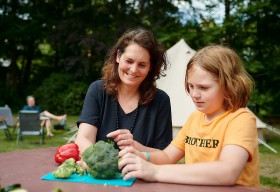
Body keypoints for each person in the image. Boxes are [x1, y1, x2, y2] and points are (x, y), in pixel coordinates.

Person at [118, 45, 260, 187]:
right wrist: (141, 154)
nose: (194, 94)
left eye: (203, 88)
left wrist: (155, 171)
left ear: (229, 86)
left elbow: (228, 171)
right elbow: (167, 156)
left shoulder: (241, 119)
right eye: (190, 86)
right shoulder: (195, 118)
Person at [75, 28, 173, 160]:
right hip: (98, 178)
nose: (133, 70)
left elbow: (165, 155)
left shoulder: (161, 100)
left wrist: (135, 147)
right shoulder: (97, 90)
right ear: (118, 56)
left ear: (150, 68)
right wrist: (101, 163)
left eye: (142, 65)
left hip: (141, 178)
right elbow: (83, 138)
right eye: (129, 61)